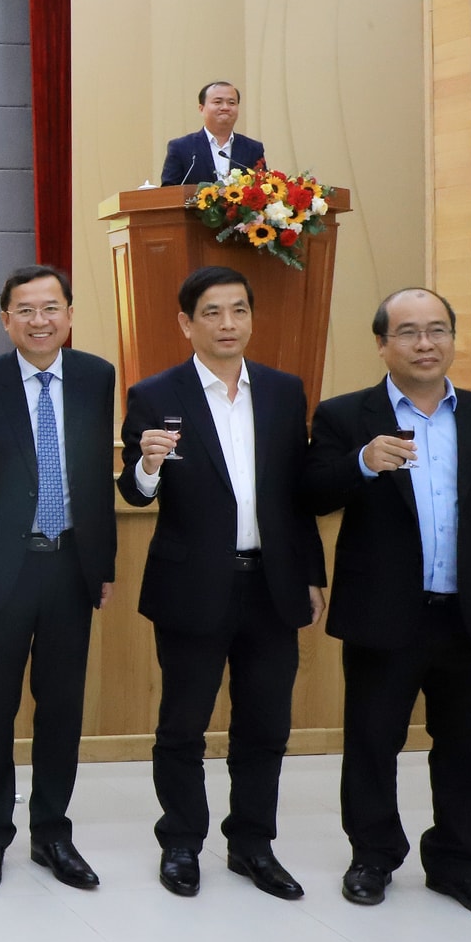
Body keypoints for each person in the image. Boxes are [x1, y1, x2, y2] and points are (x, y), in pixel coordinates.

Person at [304, 288, 471, 922]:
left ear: (452, 339)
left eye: (437, 330)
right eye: (407, 332)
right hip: (384, 613)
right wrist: (361, 463)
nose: (425, 343)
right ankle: (373, 856)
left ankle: (457, 862)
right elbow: (310, 494)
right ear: (382, 344)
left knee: (470, 748)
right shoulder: (345, 415)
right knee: (372, 742)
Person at [119, 266, 327, 900]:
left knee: (265, 725)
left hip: (272, 584)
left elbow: (296, 495)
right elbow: (134, 490)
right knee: (183, 725)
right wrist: (148, 464)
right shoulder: (154, 393)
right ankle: (182, 842)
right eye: (212, 312)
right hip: (192, 586)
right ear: (187, 323)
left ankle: (252, 844)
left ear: (252, 318)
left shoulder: (284, 391)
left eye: (239, 310)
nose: (228, 324)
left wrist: (312, 573)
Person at [0, 264, 117, 891]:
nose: (39, 321)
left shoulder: (96, 375)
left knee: (62, 707)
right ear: (5, 319)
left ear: (69, 314)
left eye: (50, 308)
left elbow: (94, 478)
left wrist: (103, 562)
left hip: (71, 564)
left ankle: (52, 834)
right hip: (1, 567)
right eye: (26, 310)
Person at [159, 81, 265, 186]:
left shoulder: (253, 149)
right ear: (201, 109)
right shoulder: (181, 148)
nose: (225, 107)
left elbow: (264, 186)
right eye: (218, 102)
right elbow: (168, 190)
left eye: (231, 103)